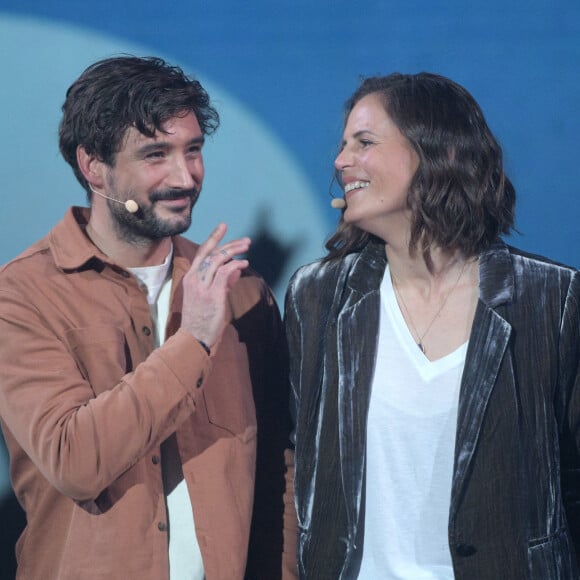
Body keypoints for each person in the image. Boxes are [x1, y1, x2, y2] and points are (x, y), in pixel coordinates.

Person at [0, 55, 295, 580]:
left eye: (194, 150)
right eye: (156, 154)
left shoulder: (245, 294)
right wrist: (196, 337)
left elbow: (279, 466)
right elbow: (75, 462)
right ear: (94, 167)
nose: (185, 176)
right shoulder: (23, 294)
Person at [284, 72, 580, 579]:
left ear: (435, 151)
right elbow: (293, 461)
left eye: (365, 142)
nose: (339, 161)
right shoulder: (317, 297)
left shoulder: (552, 299)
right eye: (342, 144)